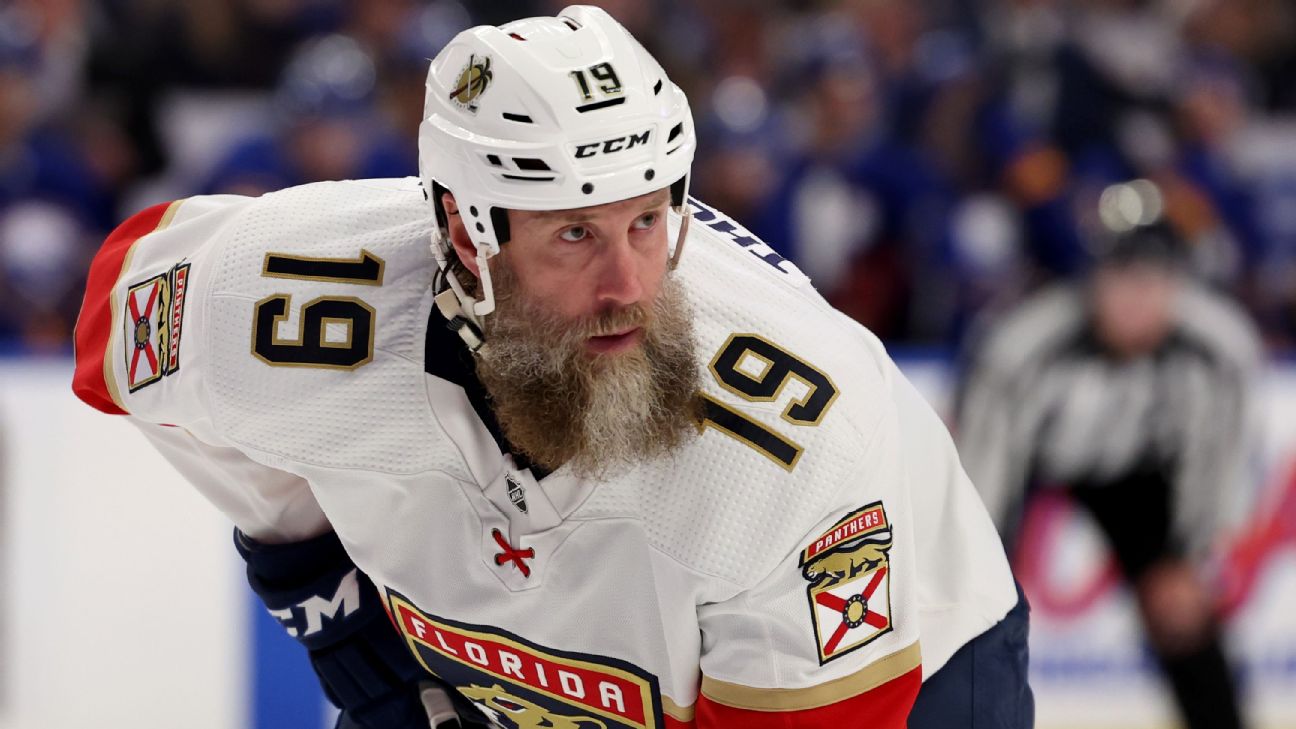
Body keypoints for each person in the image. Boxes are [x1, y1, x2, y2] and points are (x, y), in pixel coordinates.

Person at [72, 7, 1030, 728]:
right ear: (462, 229)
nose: (628, 285)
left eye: (647, 221)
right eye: (575, 231)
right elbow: (119, 319)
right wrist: (317, 580)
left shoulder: (793, 447)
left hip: (914, 658)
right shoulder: (285, 291)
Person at [956, 180, 1258, 729]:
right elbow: (985, 469)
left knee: (1183, 613)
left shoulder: (1220, 348)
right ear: (1091, 280)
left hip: (1139, 471)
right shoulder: (1019, 349)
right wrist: (984, 563)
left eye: (1152, 280)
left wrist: (1190, 557)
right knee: (976, 615)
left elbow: (1218, 460)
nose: (1134, 298)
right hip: (1024, 464)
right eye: (1119, 278)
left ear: (1177, 283)